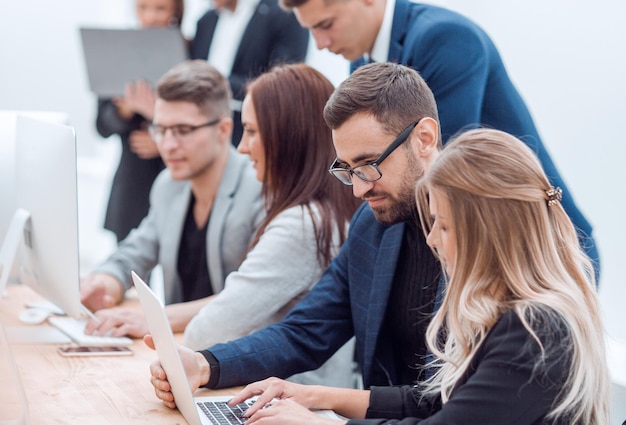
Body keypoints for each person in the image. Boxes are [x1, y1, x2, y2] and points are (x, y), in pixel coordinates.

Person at [226, 128, 610, 425]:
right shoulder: (504, 310)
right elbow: (436, 398)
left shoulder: (535, 330)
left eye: (442, 227)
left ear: (486, 232)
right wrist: (316, 397)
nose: (430, 239)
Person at [146, 62, 443, 403]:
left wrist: (320, 401)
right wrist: (206, 366)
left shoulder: (487, 231)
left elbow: (454, 402)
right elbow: (305, 332)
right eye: (347, 170)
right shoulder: (371, 227)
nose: (358, 191)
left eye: (369, 165)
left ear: (424, 138)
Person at [281, 0, 600, 275]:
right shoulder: (362, 59)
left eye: (325, 24)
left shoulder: (447, 38)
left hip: (544, 250)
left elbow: (433, 173)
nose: (319, 43)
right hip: (471, 242)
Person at [184, 63, 361, 387]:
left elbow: (206, 333)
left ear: (287, 136)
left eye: (251, 132)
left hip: (294, 402)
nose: (242, 147)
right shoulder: (324, 213)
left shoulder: (303, 226)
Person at [81, 60, 263, 336]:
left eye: (183, 131)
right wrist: (106, 281)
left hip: (242, 361)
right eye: (161, 129)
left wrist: (157, 319)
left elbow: (251, 297)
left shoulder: (258, 189)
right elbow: (136, 251)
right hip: (180, 351)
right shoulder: (168, 185)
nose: (168, 145)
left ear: (223, 130)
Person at [96, 0, 187, 242]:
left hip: (178, 176)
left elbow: (201, 116)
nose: (151, 17)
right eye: (143, 8)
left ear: (175, 10)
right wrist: (125, 109)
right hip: (132, 181)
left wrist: (160, 131)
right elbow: (101, 126)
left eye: (160, 8)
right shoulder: (120, 53)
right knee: (129, 268)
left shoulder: (190, 50)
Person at [190, 0, 309, 146]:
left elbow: (285, 83)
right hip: (200, 132)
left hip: (253, 134)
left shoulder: (283, 14)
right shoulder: (205, 21)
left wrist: (213, 81)